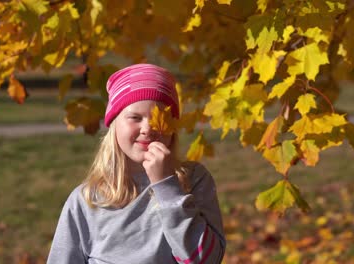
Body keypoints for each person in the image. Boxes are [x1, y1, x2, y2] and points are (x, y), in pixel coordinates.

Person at [47, 63, 226, 263]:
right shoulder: (87, 199)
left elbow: (207, 260)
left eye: (159, 117)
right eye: (135, 117)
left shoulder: (194, 181)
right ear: (114, 124)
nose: (147, 128)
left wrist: (167, 187)